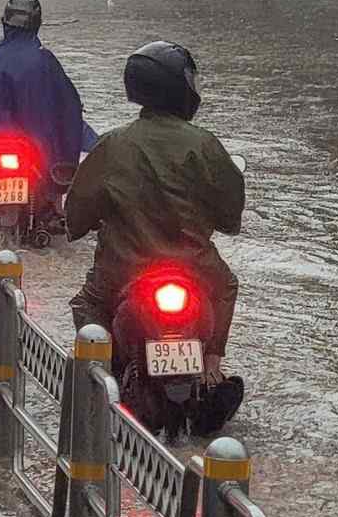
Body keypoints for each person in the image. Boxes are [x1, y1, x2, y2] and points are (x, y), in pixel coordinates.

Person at [66, 41, 245, 400]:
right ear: (181, 89)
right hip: (196, 268)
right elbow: (230, 215)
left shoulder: (114, 144)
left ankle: (102, 373)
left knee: (87, 304)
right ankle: (212, 364)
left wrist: (87, 222)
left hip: (122, 269)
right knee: (225, 286)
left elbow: (77, 212)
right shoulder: (204, 144)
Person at [0, 0, 94, 227]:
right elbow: (69, 107)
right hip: (35, 148)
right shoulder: (45, 60)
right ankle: (52, 207)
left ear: (6, 23)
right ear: (36, 24)